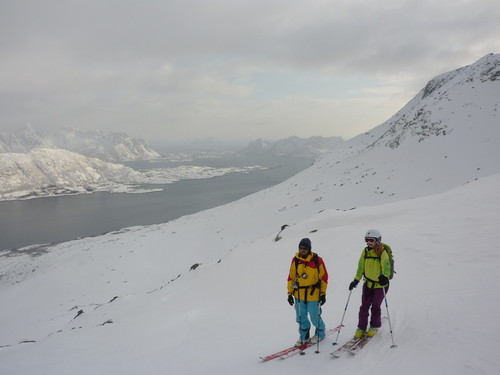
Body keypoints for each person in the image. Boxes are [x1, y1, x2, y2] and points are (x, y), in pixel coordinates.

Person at [348, 229, 391, 338]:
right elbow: (361, 267)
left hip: (380, 285)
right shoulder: (365, 252)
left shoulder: (382, 252)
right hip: (368, 284)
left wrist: (384, 277)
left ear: (377, 240)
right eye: (367, 240)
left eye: (371, 240)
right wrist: (356, 280)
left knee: (375, 306)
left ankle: (374, 326)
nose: (369, 243)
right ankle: (361, 327)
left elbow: (386, 267)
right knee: (364, 307)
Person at [287, 238, 329, 347]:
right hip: (299, 294)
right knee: (300, 316)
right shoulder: (295, 260)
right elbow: (291, 278)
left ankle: (320, 333)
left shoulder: (317, 260)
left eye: (305, 248)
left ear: (309, 249)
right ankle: (304, 336)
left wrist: (323, 293)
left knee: (315, 315)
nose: (302, 250)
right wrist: (289, 294)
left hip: (313, 293)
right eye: (300, 248)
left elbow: (324, 277)